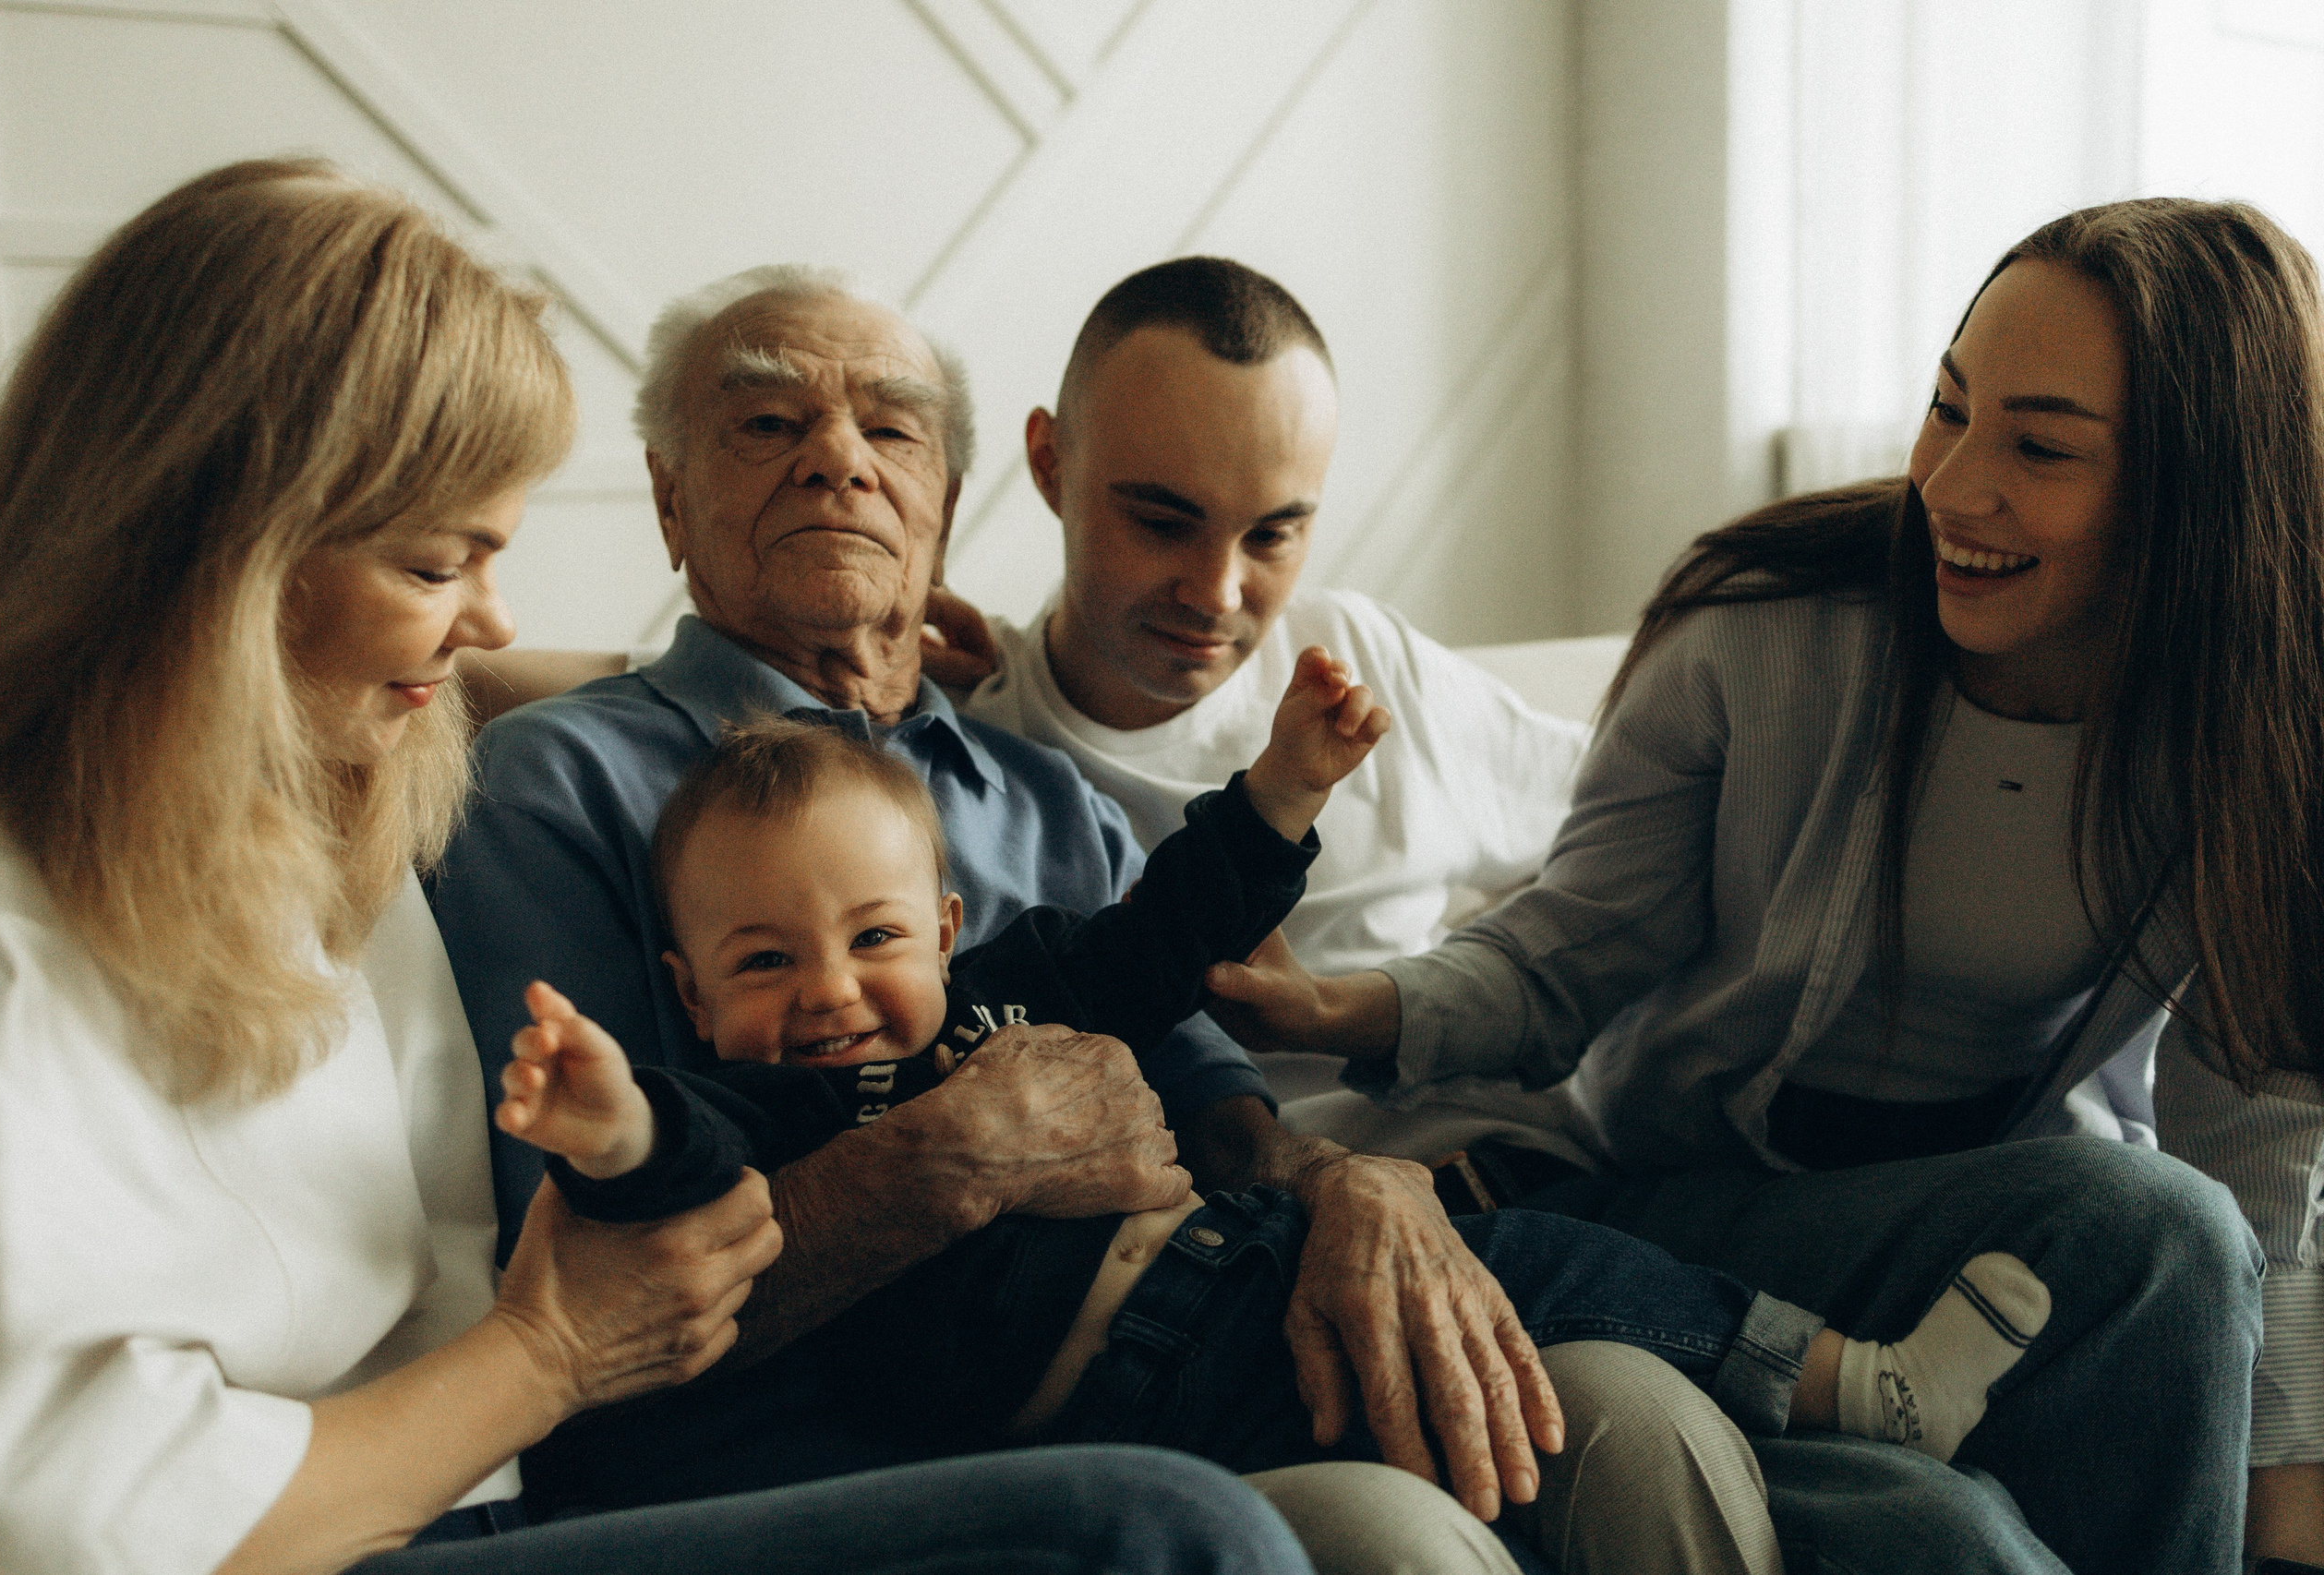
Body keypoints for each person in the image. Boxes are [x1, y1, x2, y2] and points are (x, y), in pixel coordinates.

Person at [0, 158, 1326, 1575]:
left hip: (529, 1484)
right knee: (1159, 1536)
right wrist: (547, 1353)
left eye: (890, 437)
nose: (489, 616)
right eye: (439, 564)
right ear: (217, 562)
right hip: (376, 1526)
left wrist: (822, 651)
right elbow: (91, 1523)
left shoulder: (324, 807)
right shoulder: (7, 953)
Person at [423, 260, 1679, 1545]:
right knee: (1388, 1534)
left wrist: (1346, 1179)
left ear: (949, 503)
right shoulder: (555, 781)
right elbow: (586, 1269)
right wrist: (948, 1155)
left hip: (1162, 1362)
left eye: (891, 429)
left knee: (1627, 1418)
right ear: (670, 497)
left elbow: (1219, 1114)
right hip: (808, 1455)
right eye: (767, 422)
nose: (837, 460)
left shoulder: (1044, 794)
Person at [1206, 197, 2323, 1574]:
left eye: (2040, 448)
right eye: (1946, 406)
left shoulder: (2264, 729)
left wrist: (2292, 1503)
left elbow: (2259, 1154)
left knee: (2127, 1284)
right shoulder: (1769, 629)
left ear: (2196, 493)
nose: (1954, 484)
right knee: (2080, 1340)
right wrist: (1339, 1009)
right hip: (1668, 1199)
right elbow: (1569, 955)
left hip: (1957, 1239)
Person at [494, 704, 2057, 1501]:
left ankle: (1851, 1381)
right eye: (766, 961)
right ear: (695, 1001)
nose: (829, 989)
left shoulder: (1017, 987)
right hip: (1106, 1390)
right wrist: (613, 1116)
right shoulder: (756, 1110)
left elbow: (1162, 939)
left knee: (1534, 1265)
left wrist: (1285, 796)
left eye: (875, 939)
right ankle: (1832, 1389)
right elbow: (682, 1183)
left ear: (951, 934)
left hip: (1229, 1264)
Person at [926, 256, 1595, 1172]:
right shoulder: (966, 748)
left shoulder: (1355, 653)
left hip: (1544, 1154)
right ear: (1051, 464)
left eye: (1272, 533)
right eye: (1162, 522)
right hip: (1280, 1227)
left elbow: (1636, 837)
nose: (1215, 591)